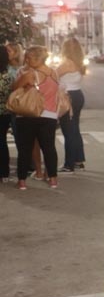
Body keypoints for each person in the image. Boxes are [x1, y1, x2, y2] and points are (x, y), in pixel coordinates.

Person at [11, 46, 60, 190]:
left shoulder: (29, 74)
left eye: (29, 57)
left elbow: (14, 88)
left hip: (29, 115)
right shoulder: (54, 73)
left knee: (25, 148)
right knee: (49, 148)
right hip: (50, 115)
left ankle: (22, 181)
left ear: (37, 58)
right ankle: (53, 179)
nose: (26, 60)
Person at [57, 38, 87, 172]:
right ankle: (78, 160)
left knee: (68, 131)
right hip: (78, 95)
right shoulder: (79, 63)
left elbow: (52, 76)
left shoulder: (66, 64)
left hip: (67, 97)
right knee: (74, 129)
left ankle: (69, 164)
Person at [0, 48, 12, 182]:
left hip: (2, 112)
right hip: (5, 113)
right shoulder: (7, 75)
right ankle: (4, 172)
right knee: (2, 142)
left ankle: (3, 172)